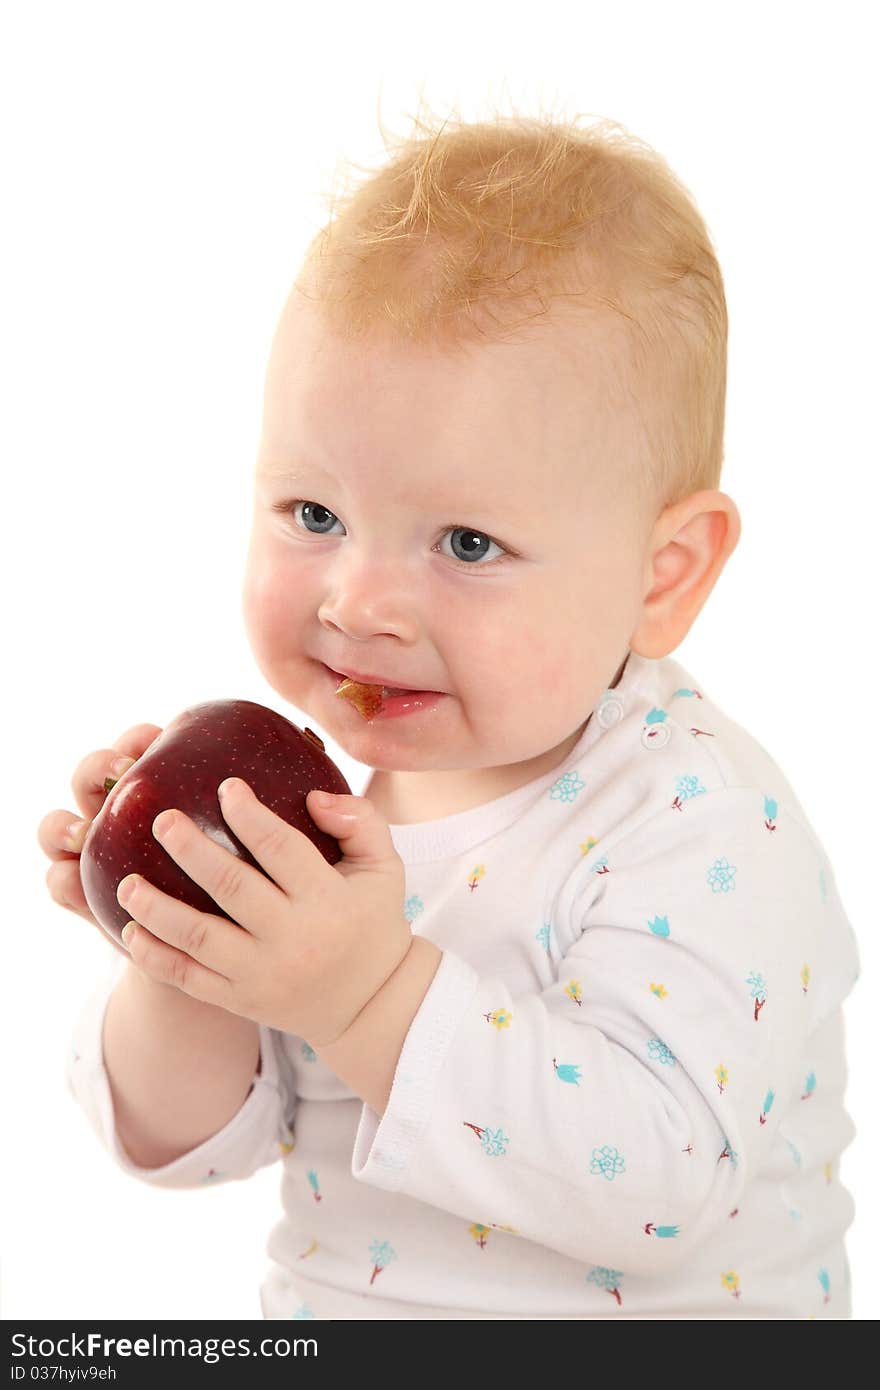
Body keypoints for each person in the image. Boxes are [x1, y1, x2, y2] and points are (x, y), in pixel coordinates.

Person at [39, 107, 859, 1319]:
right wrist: (181, 955)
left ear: (661, 573)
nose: (358, 602)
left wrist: (362, 992)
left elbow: (656, 1185)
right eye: (312, 514)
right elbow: (182, 1147)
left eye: (467, 542)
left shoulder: (696, 820)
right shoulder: (321, 805)